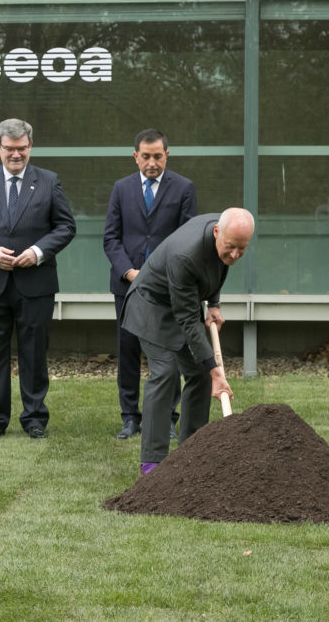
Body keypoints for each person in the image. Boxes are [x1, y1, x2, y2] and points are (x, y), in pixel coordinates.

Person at [0, 118, 77, 440]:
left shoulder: (49, 182)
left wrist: (37, 252)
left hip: (35, 284)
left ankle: (34, 418)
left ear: (30, 146)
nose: (16, 155)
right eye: (9, 149)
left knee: (34, 354)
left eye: (22, 148)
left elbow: (66, 227)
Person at [121, 208, 254, 474]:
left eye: (242, 248)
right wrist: (216, 371)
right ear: (217, 231)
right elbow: (188, 321)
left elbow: (220, 265)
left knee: (200, 375)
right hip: (152, 306)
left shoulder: (225, 235)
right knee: (166, 373)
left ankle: (192, 453)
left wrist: (214, 304)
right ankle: (152, 463)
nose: (236, 254)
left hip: (183, 303)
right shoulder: (186, 254)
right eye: (231, 246)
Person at [103, 129, 197, 440]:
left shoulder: (183, 188)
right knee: (127, 351)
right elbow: (111, 238)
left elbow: (187, 239)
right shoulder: (121, 188)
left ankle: (168, 418)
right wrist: (128, 271)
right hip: (128, 287)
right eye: (146, 156)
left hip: (167, 288)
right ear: (135, 157)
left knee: (168, 354)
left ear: (167, 155)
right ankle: (130, 418)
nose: (152, 162)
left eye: (158, 156)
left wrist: (163, 274)